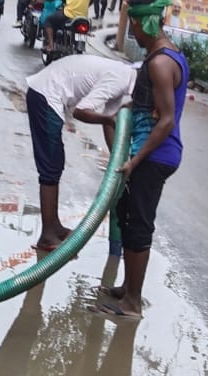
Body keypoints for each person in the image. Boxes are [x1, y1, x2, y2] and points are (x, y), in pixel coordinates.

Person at [96, 0, 188, 320]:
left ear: (142, 22)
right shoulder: (160, 56)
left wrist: (135, 161)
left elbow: (166, 119)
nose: (131, 31)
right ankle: (127, 287)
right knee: (126, 214)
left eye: (133, 24)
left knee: (138, 225)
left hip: (154, 156)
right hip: (145, 151)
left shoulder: (162, 63)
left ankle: (132, 303)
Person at [25, 54, 138, 252]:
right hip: (46, 95)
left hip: (48, 93)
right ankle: (47, 235)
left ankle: (55, 226)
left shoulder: (122, 79)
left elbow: (109, 121)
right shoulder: (119, 80)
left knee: (55, 164)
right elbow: (81, 111)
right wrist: (109, 120)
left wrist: (118, 160)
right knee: (51, 166)